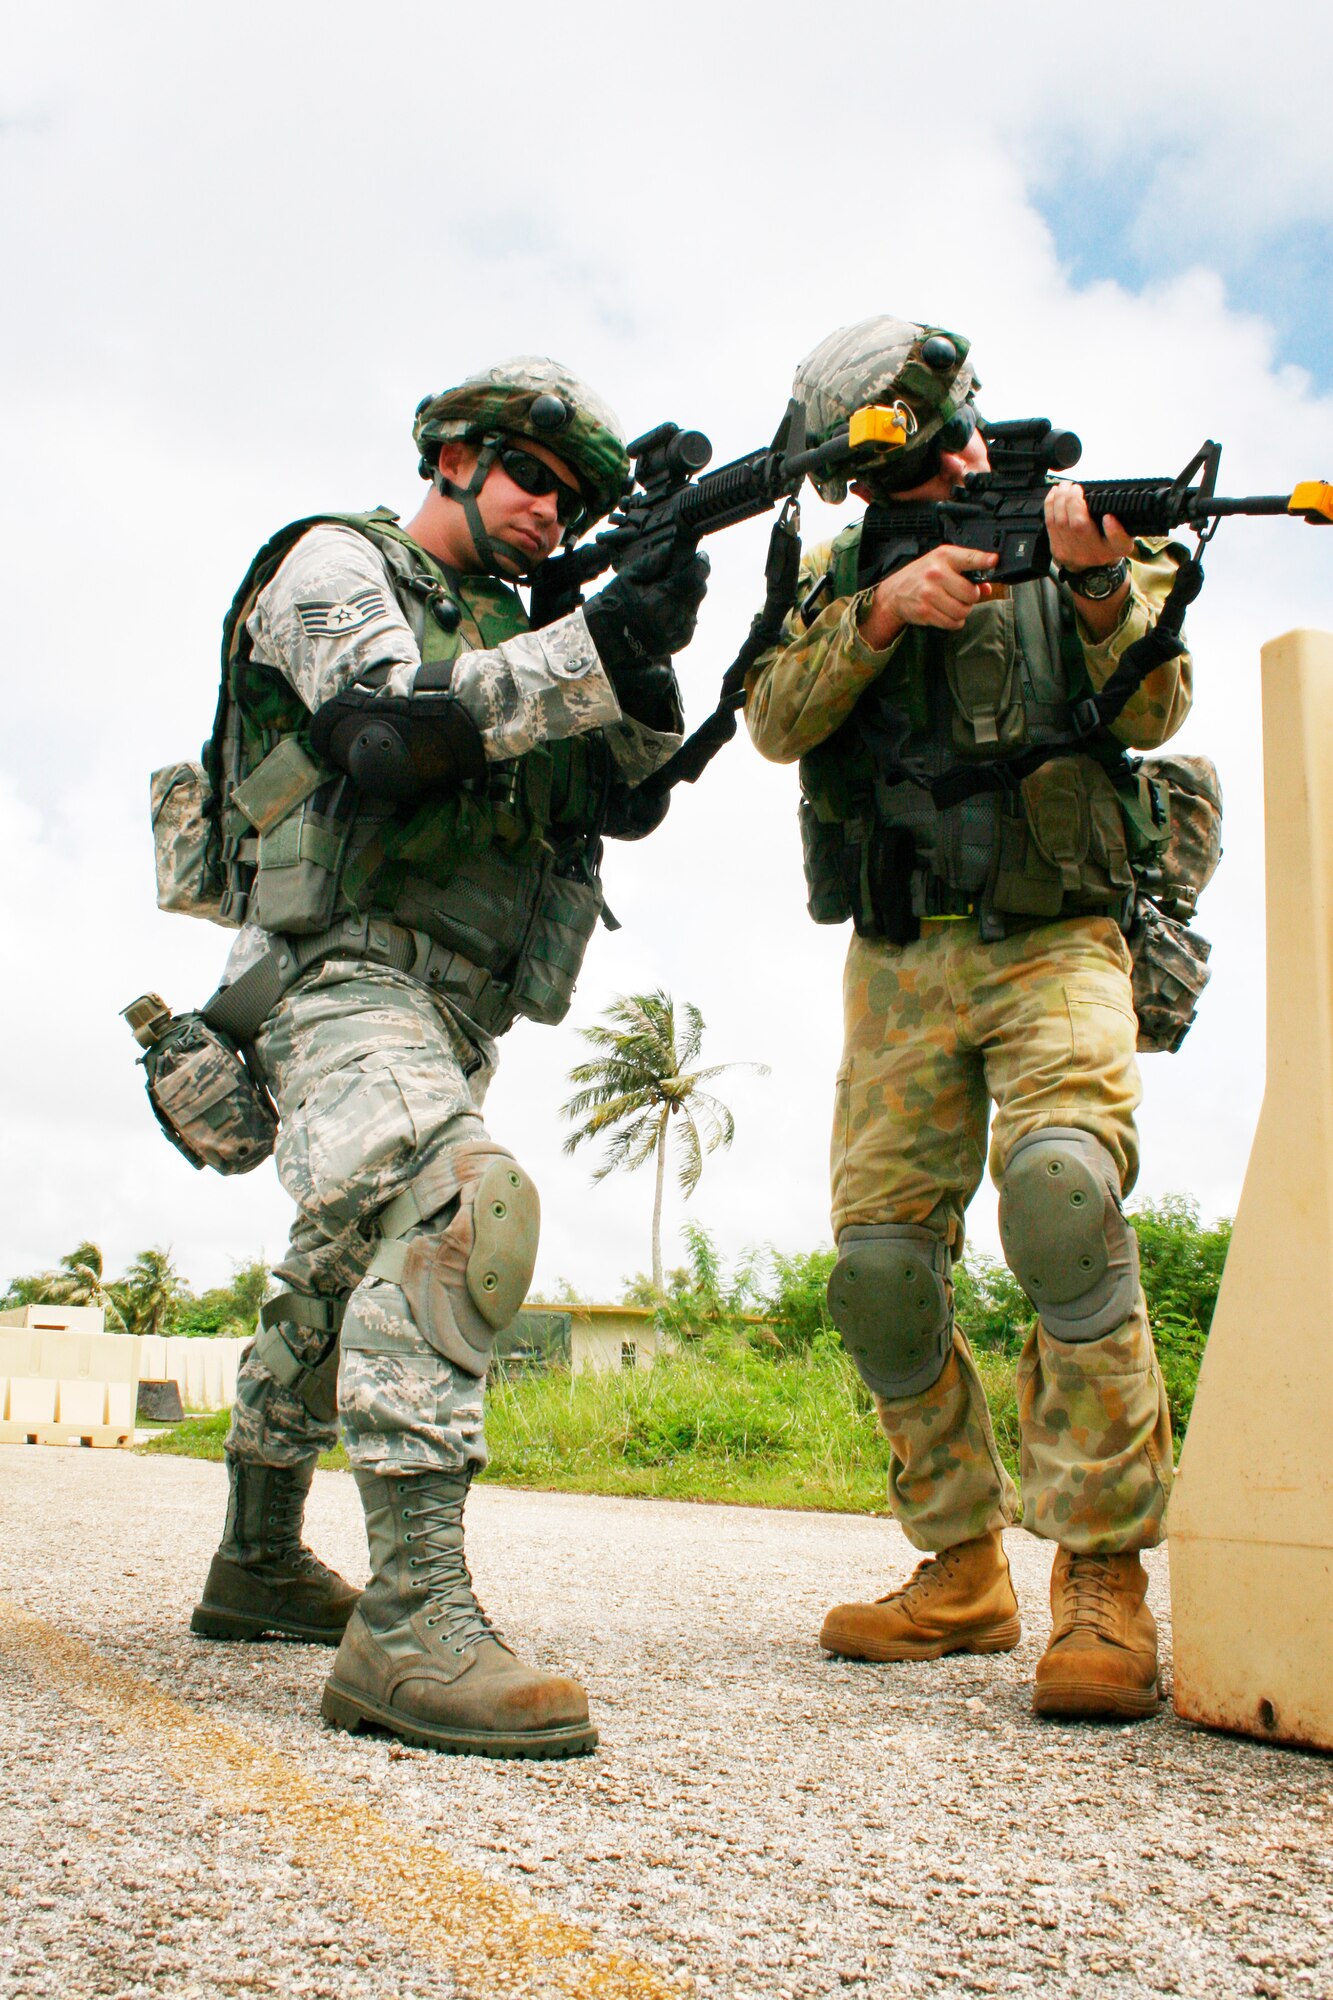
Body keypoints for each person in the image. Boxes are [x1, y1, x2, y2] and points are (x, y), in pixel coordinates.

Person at [188, 356, 708, 1757]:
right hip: (333, 974)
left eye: (579, 496)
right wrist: (584, 645)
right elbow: (381, 725)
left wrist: (644, 634)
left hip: (456, 1003)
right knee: (454, 1198)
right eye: (533, 475)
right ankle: (410, 1617)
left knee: (340, 1259)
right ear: (457, 459)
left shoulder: (517, 622)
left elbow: (635, 795)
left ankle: (255, 1561)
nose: (553, 508)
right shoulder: (333, 563)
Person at [745, 317, 1192, 1720]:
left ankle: (1103, 1582)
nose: (920, 474)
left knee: (1060, 1205)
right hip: (897, 957)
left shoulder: (1085, 531)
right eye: (874, 468)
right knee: (880, 1274)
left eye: (921, 442)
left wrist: (1099, 585)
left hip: (1056, 935)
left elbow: (1158, 709)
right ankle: (957, 1571)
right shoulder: (838, 574)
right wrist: (883, 616)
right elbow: (770, 718)